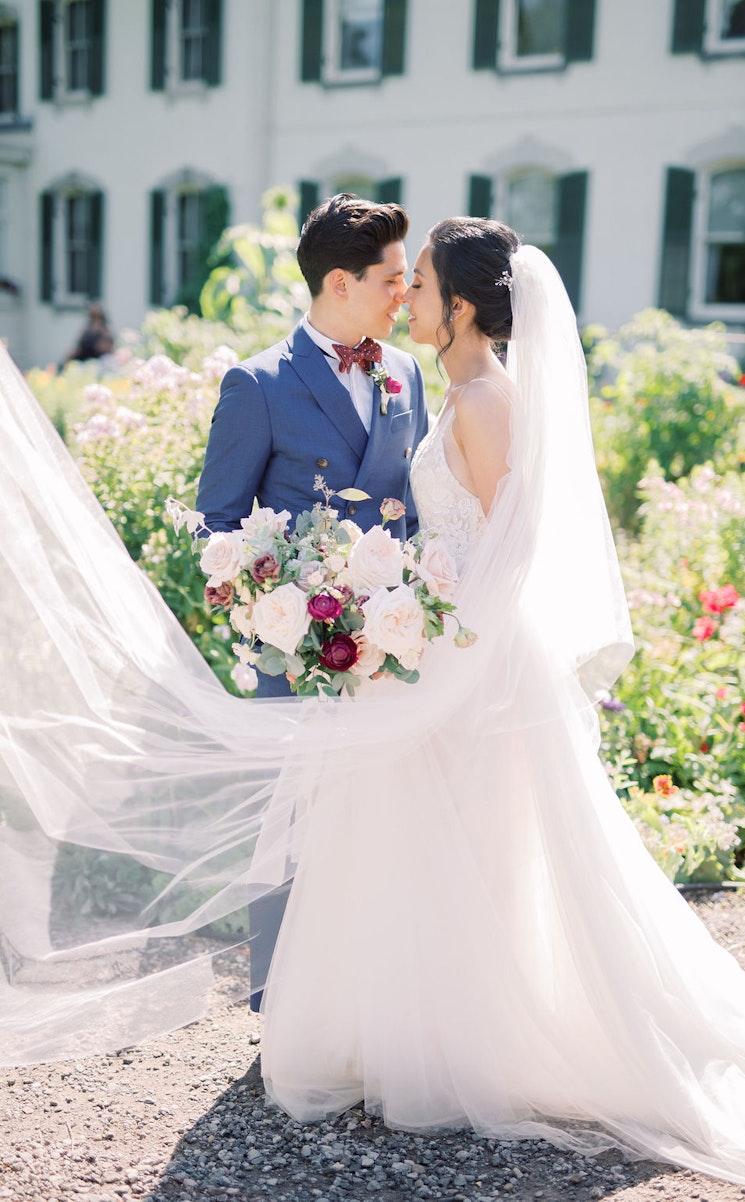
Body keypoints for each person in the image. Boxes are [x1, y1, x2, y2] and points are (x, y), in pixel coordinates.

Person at [0, 218, 745, 1195]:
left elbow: (509, 555)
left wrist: (411, 625)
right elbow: (301, 525)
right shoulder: (334, 385)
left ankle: (455, 1036)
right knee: (389, 851)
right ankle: (386, 1024)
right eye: (394, 278)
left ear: (458, 305)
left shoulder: (463, 394)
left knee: (453, 856)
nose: (403, 297)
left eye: (415, 283)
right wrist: (346, 609)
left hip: (446, 668)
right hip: (384, 653)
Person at [195, 192, 428, 1010]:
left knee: (382, 823)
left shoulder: (405, 373)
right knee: (289, 828)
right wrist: (271, 593)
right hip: (296, 648)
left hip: (392, 648)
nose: (407, 293)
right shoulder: (257, 383)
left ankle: (370, 1004)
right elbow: (213, 522)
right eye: (394, 279)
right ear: (340, 282)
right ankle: (282, 1003)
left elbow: (418, 509)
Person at [62, 302, 115, 366]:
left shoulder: (105, 330)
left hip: (99, 358)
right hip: (85, 355)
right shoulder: (88, 329)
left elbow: (108, 347)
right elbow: (80, 344)